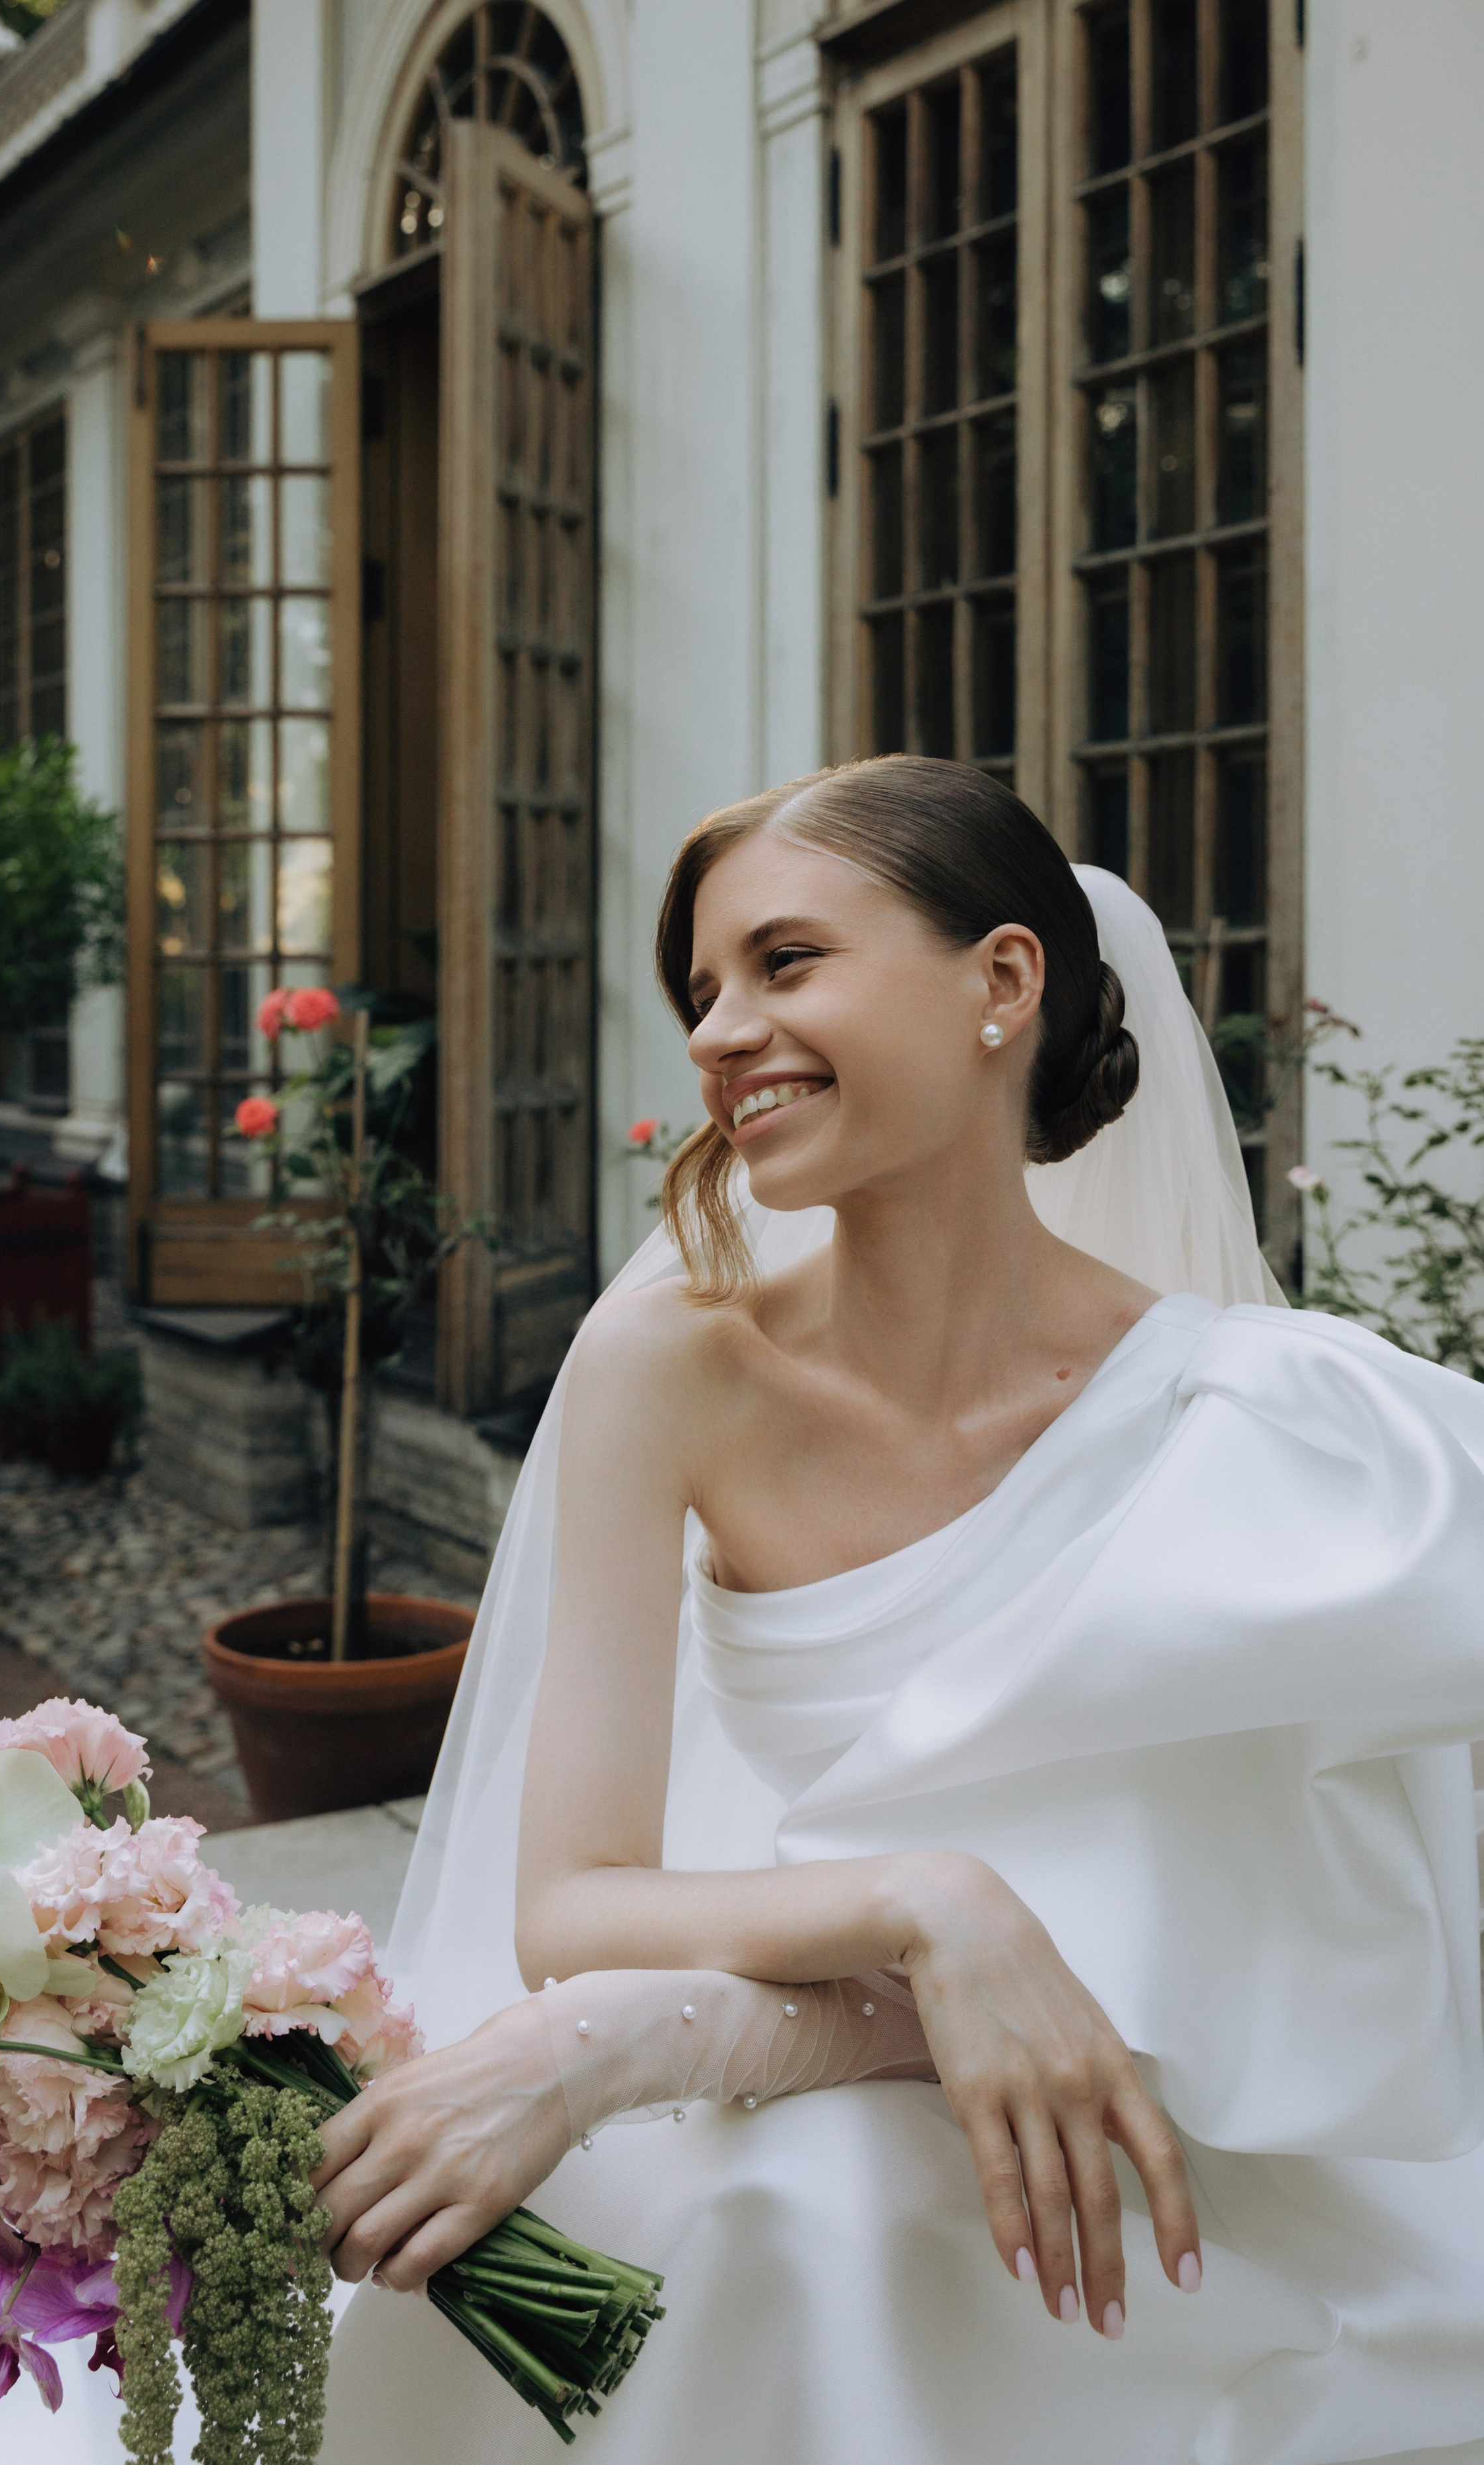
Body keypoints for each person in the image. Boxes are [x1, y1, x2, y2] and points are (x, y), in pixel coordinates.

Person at [315, 757, 1484, 2465]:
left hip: (1152, 2132)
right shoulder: (674, 1370)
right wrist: (933, 1900)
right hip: (803, 2076)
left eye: (785, 962)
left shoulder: (1257, 1420)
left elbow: (1242, 1965)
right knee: (808, 2208)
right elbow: (571, 1904)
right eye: (704, 990)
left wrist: (658, 2031)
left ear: (1002, 982)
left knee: (852, 2214)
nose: (720, 1033)